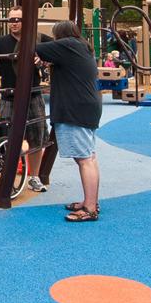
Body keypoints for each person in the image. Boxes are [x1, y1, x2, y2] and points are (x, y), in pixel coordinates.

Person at [33, 21, 105, 221]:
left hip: (76, 110)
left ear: (60, 36)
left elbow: (32, 46)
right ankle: (90, 201)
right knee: (89, 156)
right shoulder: (80, 47)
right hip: (86, 107)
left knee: (85, 160)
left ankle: (90, 208)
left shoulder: (69, 45)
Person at [0, 7, 53, 192]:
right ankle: (7, 177)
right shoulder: (1, 42)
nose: (14, 22)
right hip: (10, 96)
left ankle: (34, 177)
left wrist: (45, 60)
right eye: (11, 20)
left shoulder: (40, 39)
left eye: (18, 19)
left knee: (37, 137)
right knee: (7, 138)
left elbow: (58, 56)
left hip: (34, 95)